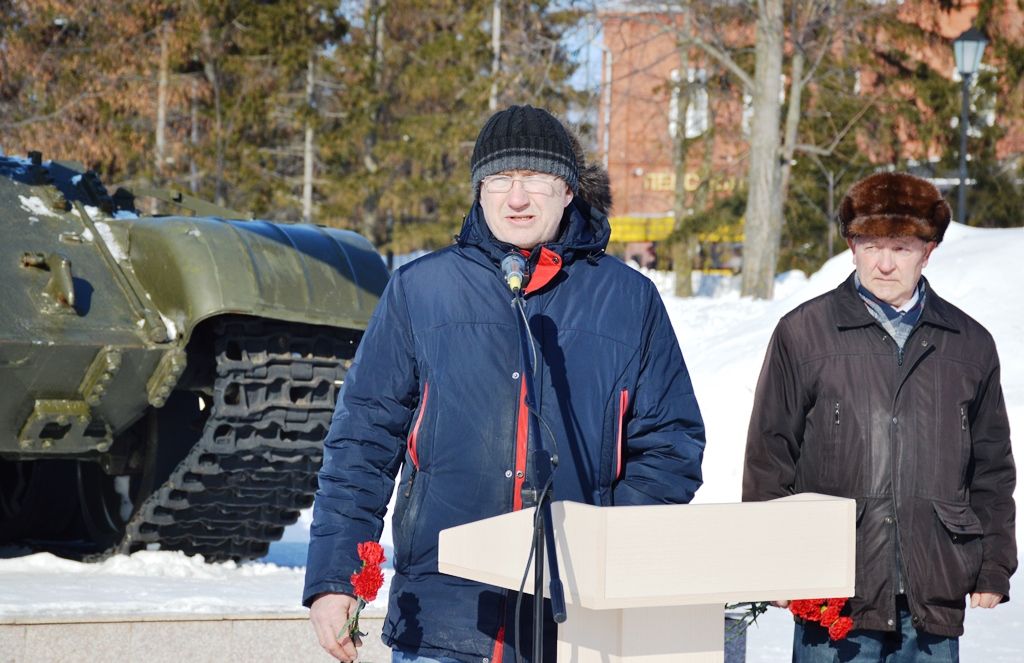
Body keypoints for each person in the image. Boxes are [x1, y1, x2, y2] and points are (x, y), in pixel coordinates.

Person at [304, 104, 706, 662]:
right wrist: (335, 578)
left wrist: (604, 549)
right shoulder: (421, 291)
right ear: (479, 190)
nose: (516, 198)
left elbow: (671, 447)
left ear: (568, 190)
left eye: (535, 179)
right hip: (444, 619)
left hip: (577, 624)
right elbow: (362, 446)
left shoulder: (629, 301)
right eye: (500, 179)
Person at [742, 172, 1016, 661]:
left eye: (902, 247)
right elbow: (769, 455)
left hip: (932, 589)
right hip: (833, 592)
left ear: (928, 251)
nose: (884, 263)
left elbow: (992, 469)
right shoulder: (804, 334)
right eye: (871, 245)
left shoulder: (970, 344)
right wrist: (771, 561)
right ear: (852, 246)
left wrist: (994, 563)